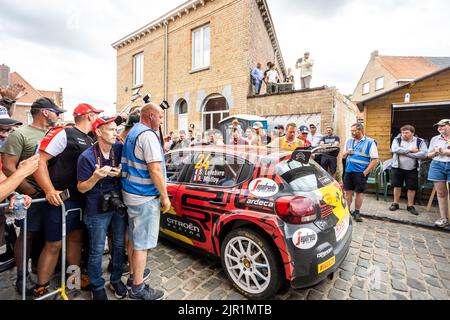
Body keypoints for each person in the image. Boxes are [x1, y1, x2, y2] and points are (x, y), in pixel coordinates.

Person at [32, 103, 103, 298]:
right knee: (53, 244)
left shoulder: (92, 138)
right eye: (96, 114)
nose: (97, 118)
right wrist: (49, 190)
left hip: (83, 200)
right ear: (89, 115)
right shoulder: (63, 133)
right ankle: (41, 287)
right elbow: (39, 160)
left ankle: (73, 280)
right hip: (61, 200)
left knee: (75, 240)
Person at [1, 97, 65, 294]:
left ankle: (43, 270)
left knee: (51, 238)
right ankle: (22, 276)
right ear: (45, 112)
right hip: (34, 197)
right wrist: (30, 190)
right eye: (57, 111)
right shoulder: (19, 134)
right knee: (27, 236)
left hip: (54, 196)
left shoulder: (54, 133)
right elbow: (9, 167)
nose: (59, 115)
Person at [121, 103, 168, 300]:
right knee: (142, 244)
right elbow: (155, 169)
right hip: (144, 196)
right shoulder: (147, 135)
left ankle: (133, 276)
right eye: (160, 116)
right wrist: (164, 196)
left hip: (131, 194)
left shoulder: (132, 133)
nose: (162, 120)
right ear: (151, 116)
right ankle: (137, 289)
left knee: (133, 238)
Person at [77, 117, 127, 300]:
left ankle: (116, 279)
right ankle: (97, 285)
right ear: (98, 132)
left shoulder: (119, 149)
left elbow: (130, 170)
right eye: (111, 130)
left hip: (117, 205)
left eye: (116, 129)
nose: (116, 133)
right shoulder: (87, 157)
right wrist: (95, 177)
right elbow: (81, 187)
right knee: (97, 249)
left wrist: (122, 173)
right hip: (96, 209)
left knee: (119, 245)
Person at [343, 123, 379, 223]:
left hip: (360, 173)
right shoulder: (349, 141)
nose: (352, 133)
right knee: (347, 192)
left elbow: (375, 159)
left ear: (360, 130)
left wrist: (365, 172)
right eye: (351, 131)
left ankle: (357, 212)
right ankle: (347, 211)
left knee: (359, 192)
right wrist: (347, 152)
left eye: (354, 131)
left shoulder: (370, 142)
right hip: (349, 171)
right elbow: (343, 156)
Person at [389, 125, 428, 216]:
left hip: (412, 169)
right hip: (397, 167)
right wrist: (410, 150)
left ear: (412, 133)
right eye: (402, 132)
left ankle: (410, 206)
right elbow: (394, 149)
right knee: (397, 186)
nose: (404, 134)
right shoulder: (397, 140)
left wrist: (406, 154)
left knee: (411, 187)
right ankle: (395, 203)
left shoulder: (419, 141)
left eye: (406, 132)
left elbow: (423, 154)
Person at [427, 119, 450, 228]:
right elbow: (428, 154)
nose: (439, 128)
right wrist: (436, 152)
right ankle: (443, 218)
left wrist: (445, 152)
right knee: (441, 193)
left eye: (442, 125)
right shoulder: (435, 139)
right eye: (438, 126)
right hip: (437, 165)